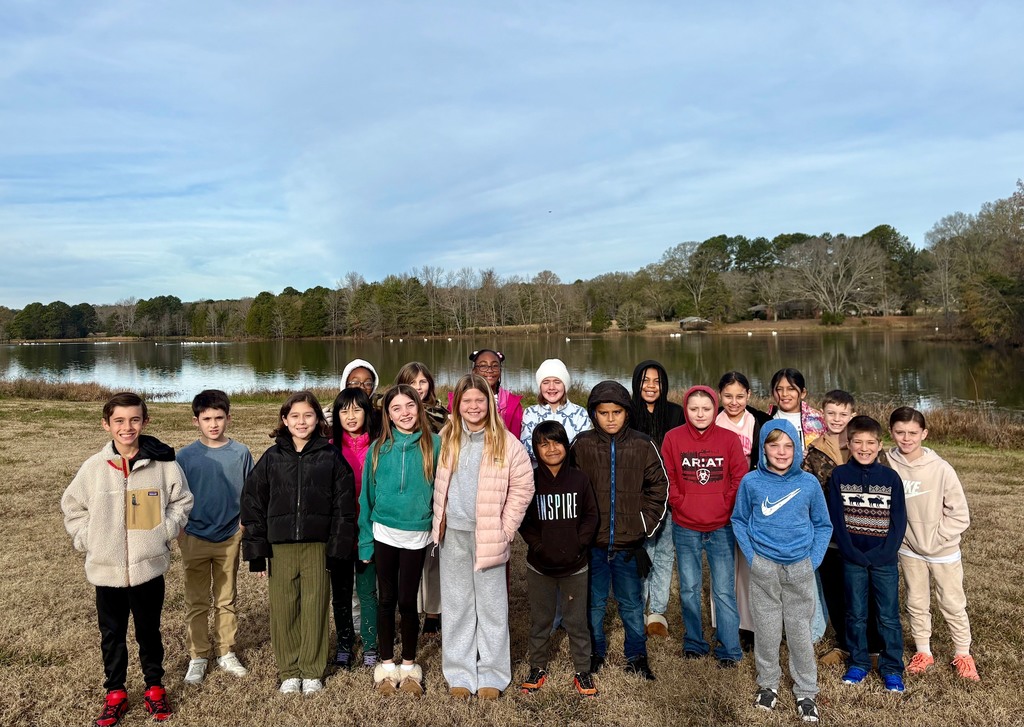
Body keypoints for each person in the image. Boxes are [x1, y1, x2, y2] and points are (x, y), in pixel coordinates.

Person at [61, 392, 193, 726]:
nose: (127, 427)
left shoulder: (163, 464)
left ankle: (154, 688)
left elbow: (183, 500)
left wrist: (167, 529)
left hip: (148, 569)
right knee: (112, 634)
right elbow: (73, 507)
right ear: (106, 424)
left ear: (145, 422)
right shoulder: (93, 468)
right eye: (119, 421)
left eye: (134, 419)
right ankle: (116, 693)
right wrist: (86, 538)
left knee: (149, 631)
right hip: (106, 572)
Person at [241, 391, 356, 696]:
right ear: (284, 420)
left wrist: (337, 549)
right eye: (295, 416)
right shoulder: (272, 458)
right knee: (283, 608)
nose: (301, 421)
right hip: (281, 548)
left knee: (316, 606)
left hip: (317, 546)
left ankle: (311, 669)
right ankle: (290, 670)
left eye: (308, 415)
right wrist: (256, 553)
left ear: (318, 419)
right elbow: (253, 502)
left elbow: (344, 508)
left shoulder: (331, 457)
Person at [432, 374, 534, 700]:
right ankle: (460, 672)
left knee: (491, 608)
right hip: (454, 536)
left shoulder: (506, 443)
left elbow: (523, 487)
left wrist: (506, 529)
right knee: (458, 605)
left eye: (480, 400)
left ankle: (493, 673)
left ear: (489, 404)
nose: (474, 406)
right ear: (457, 405)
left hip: (489, 536)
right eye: (467, 401)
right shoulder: (447, 439)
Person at [731, 420, 832, 723]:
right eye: (774, 444)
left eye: (788, 445)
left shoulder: (808, 484)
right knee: (767, 630)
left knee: (800, 632)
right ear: (763, 448)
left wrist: (812, 560)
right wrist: (754, 558)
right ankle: (768, 685)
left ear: (797, 449)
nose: (781, 451)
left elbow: (823, 525)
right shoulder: (751, 482)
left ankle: (806, 691)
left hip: (800, 567)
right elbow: (739, 520)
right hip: (764, 568)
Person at [570, 381, 668, 681]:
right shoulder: (582, 445)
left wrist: (643, 524)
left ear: (627, 413)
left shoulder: (642, 444)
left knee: (631, 603)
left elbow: (659, 488)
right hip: (594, 545)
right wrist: (578, 531)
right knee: (595, 603)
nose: (610, 418)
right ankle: (595, 652)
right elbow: (570, 487)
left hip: (628, 545)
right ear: (593, 414)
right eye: (603, 412)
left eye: (617, 412)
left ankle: (637, 655)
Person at [887, 407, 979, 682]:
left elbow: (960, 514)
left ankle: (963, 654)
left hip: (942, 550)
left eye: (913, 433)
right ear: (891, 433)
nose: (906, 438)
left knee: (951, 603)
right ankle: (924, 652)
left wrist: (938, 538)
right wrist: (903, 537)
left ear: (924, 434)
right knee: (916, 601)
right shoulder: (888, 464)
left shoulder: (940, 468)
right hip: (909, 548)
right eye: (900, 432)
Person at [360, 385, 441, 696]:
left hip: (417, 533)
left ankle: (409, 666)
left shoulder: (434, 444)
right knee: (386, 600)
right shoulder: (379, 449)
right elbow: (366, 498)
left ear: (419, 408)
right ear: (388, 414)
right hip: (384, 532)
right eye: (396, 408)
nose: (404, 413)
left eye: (410, 406)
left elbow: (441, 492)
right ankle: (386, 664)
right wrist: (366, 541)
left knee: (408, 602)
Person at [662, 386, 748, 667]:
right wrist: (680, 500)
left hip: (721, 526)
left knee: (723, 589)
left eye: (706, 409)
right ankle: (694, 642)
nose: (700, 414)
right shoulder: (673, 438)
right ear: (686, 409)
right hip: (685, 524)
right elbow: (669, 476)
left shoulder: (729, 439)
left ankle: (729, 648)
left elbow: (739, 477)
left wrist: (725, 503)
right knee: (688, 587)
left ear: (715, 410)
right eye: (694, 408)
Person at [176, 390, 254, 685]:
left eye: (219, 418)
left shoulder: (241, 453)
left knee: (226, 598)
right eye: (206, 418)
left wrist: (242, 527)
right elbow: (175, 496)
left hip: (229, 536)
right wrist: (182, 530)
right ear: (196, 421)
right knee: (196, 600)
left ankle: (226, 652)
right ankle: (198, 655)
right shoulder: (184, 456)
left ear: (228, 418)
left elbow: (251, 493)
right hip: (194, 535)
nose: (213, 424)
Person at [518, 421, 600, 698]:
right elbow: (523, 520)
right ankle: (537, 667)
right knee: (540, 620)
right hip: (540, 566)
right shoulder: (529, 480)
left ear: (565, 445)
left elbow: (591, 516)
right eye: (544, 444)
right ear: (536, 449)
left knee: (577, 621)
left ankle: (583, 670)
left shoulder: (579, 479)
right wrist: (538, 545)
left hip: (575, 566)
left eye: (557, 442)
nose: (551, 449)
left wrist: (579, 543)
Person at [802, 390, 883, 667]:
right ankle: (844, 645)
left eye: (843, 414)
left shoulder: (861, 445)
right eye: (831, 413)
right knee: (835, 591)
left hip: (862, 532)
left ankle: (873, 646)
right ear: (822, 415)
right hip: (829, 534)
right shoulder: (814, 451)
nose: (837, 419)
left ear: (851, 414)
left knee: (864, 591)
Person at [827, 415, 907, 693]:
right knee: (856, 613)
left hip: (884, 560)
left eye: (870, 442)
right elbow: (836, 519)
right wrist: (852, 553)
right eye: (858, 442)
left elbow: (898, 521)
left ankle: (892, 667)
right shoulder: (839, 476)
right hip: (852, 559)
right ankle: (858, 662)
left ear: (879, 444)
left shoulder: (890, 478)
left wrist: (884, 553)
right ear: (848, 444)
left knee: (887, 616)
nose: (864, 448)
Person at [715, 371, 772, 651]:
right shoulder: (712, 420)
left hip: (752, 502)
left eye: (740, 396)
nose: (734, 402)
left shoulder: (761, 422)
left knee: (751, 564)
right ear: (719, 395)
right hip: (720, 500)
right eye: (728, 396)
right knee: (724, 564)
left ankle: (751, 627)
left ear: (749, 395)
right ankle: (725, 623)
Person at [629, 360, 684, 638]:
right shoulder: (627, 413)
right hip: (638, 498)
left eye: (657, 381)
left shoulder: (676, 414)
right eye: (645, 380)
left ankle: (658, 612)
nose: (651, 387)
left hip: (669, 497)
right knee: (641, 554)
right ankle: (637, 608)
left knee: (664, 553)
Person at [395, 361, 447, 637]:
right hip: (408, 491)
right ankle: (411, 609)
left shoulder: (441, 415)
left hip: (434, 484)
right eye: (412, 382)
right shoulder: (392, 411)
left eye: (422, 382)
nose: (418, 387)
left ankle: (434, 612)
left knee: (433, 557)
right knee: (409, 558)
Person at [329, 387, 380, 670]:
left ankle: (371, 645)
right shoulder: (329, 447)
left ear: (367, 412)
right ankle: (345, 644)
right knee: (341, 592)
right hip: (338, 532)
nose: (350, 416)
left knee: (367, 590)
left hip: (368, 531)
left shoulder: (378, 446)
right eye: (344, 410)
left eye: (357, 409)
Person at [520, 358, 592, 464]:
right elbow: (526, 447)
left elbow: (583, 446)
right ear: (540, 386)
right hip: (539, 473)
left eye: (557, 382)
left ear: (565, 385)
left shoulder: (579, 413)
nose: (551, 387)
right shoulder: (530, 413)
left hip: (571, 471)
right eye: (546, 382)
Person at [448, 349, 524, 438]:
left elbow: (516, 437)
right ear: (474, 371)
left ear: (500, 370)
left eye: (495, 365)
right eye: (483, 366)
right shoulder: (457, 400)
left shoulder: (512, 404)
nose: (490, 370)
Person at [767, 368, 825, 453]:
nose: (785, 394)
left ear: (803, 393)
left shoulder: (819, 420)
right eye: (779, 389)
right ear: (773, 393)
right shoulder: (765, 420)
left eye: (791, 389)